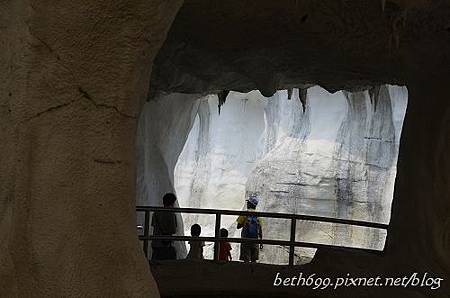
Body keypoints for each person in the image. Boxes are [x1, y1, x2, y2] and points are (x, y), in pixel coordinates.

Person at [237, 194, 263, 263]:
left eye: (248, 202)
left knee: (246, 260)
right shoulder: (259, 216)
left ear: (249, 204)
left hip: (246, 240)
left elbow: (238, 226)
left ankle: (246, 273)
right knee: (254, 260)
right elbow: (260, 229)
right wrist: (261, 241)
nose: (247, 204)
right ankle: (253, 273)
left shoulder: (244, 214)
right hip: (255, 240)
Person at [151, 193, 178, 260]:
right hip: (166, 244)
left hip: (156, 243)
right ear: (173, 203)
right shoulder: (172, 214)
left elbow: (153, 225)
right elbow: (173, 230)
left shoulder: (156, 213)